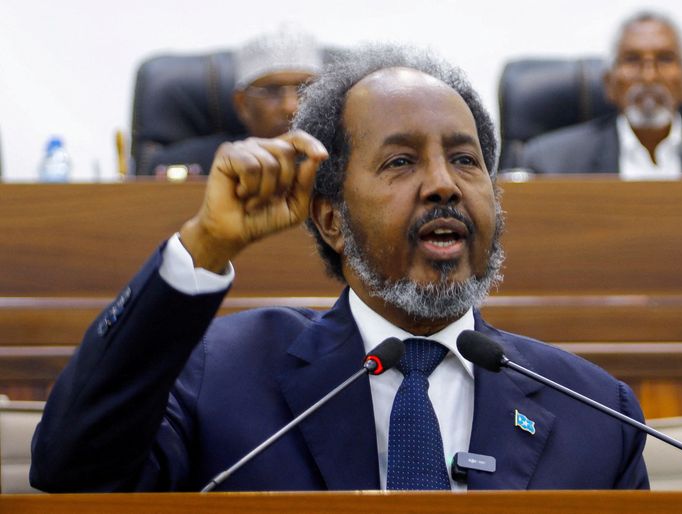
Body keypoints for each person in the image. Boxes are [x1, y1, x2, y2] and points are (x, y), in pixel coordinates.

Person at [30, 45, 649, 492]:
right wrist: (204, 245)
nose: (443, 185)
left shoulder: (598, 414)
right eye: (402, 162)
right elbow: (74, 470)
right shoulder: (221, 374)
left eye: (465, 160)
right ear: (331, 221)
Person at [520, 12, 682, 179]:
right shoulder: (551, 163)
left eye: (665, 59)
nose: (648, 77)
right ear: (610, 84)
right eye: (632, 60)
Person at [145, 29, 323, 175]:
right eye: (271, 91)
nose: (290, 106)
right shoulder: (198, 166)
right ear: (242, 103)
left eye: (304, 89)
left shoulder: (342, 162)